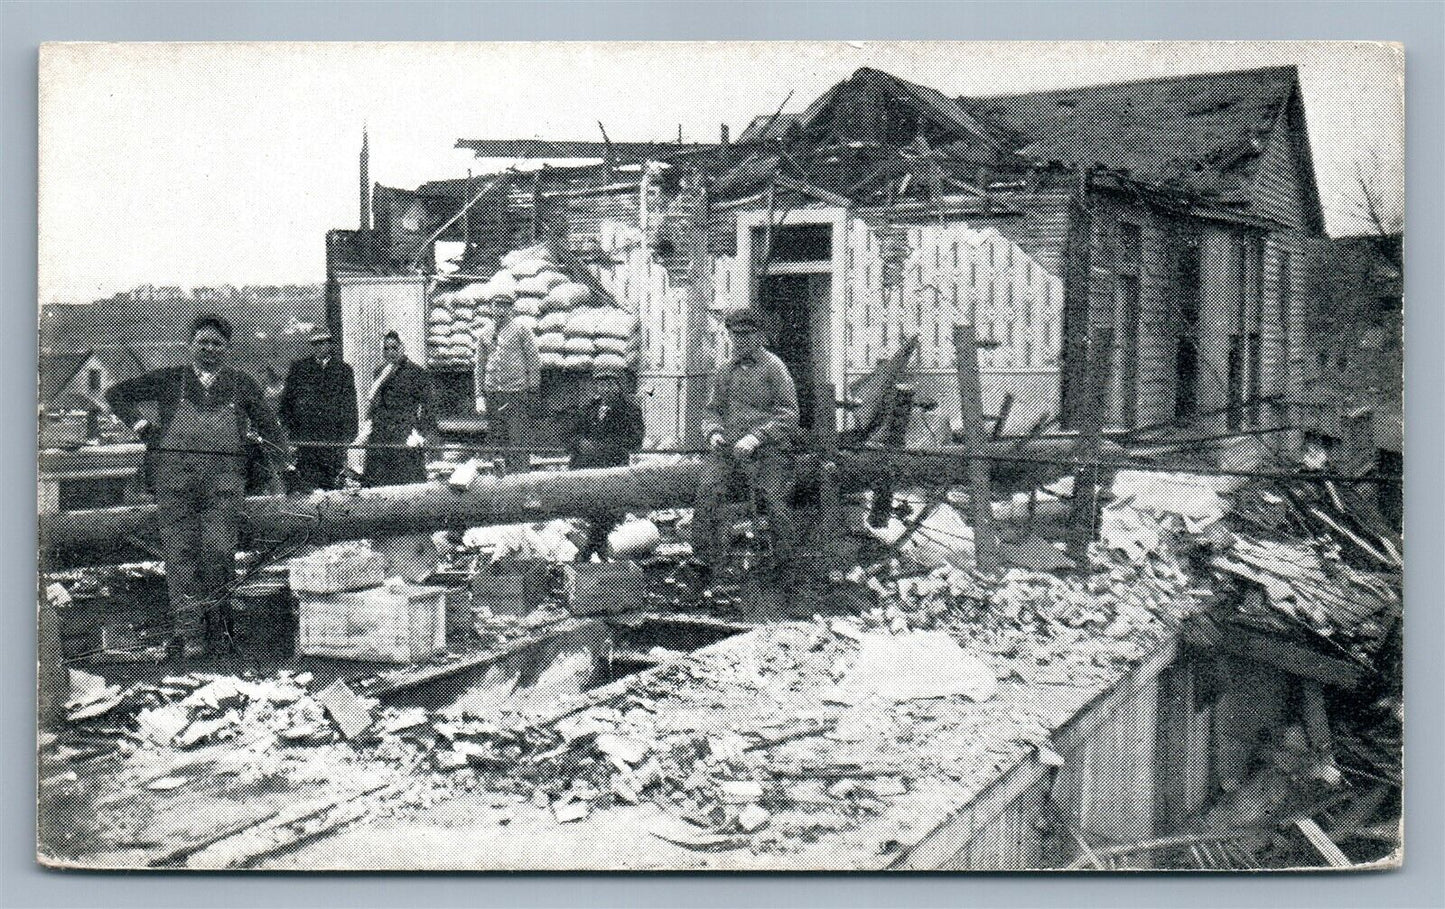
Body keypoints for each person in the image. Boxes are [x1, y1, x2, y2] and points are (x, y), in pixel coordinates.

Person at [106, 314, 290, 659]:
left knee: (219, 553)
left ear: (227, 348)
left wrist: (283, 465)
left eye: (217, 343)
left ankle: (219, 629)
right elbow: (116, 393)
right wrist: (141, 425)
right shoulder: (170, 379)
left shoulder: (242, 383)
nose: (209, 348)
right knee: (180, 557)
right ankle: (190, 634)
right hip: (174, 482)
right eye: (202, 341)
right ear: (190, 345)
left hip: (224, 483)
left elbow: (271, 427)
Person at [693, 307, 799, 582]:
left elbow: (788, 415)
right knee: (708, 490)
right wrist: (714, 433)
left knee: (774, 500)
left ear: (759, 336)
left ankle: (786, 568)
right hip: (729, 450)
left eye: (746, 335)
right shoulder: (723, 370)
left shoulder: (774, 367)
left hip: (769, 450)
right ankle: (708, 563)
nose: (740, 341)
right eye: (735, 335)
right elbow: (712, 410)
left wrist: (756, 438)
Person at [567, 363, 645, 559]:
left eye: (610, 384)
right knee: (589, 511)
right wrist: (581, 444)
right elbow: (570, 435)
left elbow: (635, 441)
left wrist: (602, 448)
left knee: (606, 512)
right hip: (586, 470)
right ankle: (595, 552)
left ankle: (591, 552)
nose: (605, 389)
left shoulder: (629, 409)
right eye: (601, 385)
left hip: (613, 470)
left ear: (619, 386)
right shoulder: (589, 408)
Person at [278, 330, 359, 492]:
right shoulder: (300, 368)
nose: (319, 347)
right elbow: (287, 402)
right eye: (315, 344)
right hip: (307, 439)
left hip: (332, 439)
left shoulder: (343, 370)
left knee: (333, 486)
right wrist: (291, 431)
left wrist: (348, 436)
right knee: (308, 485)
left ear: (330, 344)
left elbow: (350, 405)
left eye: (322, 343)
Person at [361, 331, 436, 487]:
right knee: (378, 486)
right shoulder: (380, 371)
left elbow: (429, 407)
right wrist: (369, 426)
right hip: (381, 435)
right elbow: (375, 403)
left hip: (404, 434)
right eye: (386, 349)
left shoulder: (417, 373)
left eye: (394, 348)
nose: (390, 352)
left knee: (405, 485)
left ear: (403, 348)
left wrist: (419, 435)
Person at [479, 290, 540, 473]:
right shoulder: (485, 333)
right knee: (497, 441)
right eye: (497, 305)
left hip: (516, 394)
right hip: (493, 395)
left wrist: (533, 389)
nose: (501, 310)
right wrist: (479, 394)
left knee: (517, 440)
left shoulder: (522, 330)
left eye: (505, 306)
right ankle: (500, 483)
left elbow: (533, 359)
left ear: (511, 308)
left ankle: (521, 482)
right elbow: (479, 366)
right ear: (491, 308)